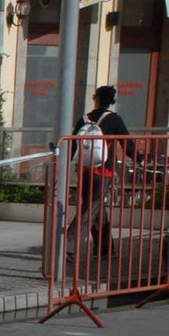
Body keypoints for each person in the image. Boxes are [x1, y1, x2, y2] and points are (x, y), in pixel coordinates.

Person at [70, 85, 134, 263]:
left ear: (95, 98)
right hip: (103, 171)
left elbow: (74, 146)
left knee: (95, 207)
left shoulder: (84, 119)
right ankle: (68, 246)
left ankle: (105, 249)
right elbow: (128, 145)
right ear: (111, 101)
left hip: (84, 170)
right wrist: (141, 159)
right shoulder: (114, 120)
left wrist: (64, 162)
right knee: (92, 207)